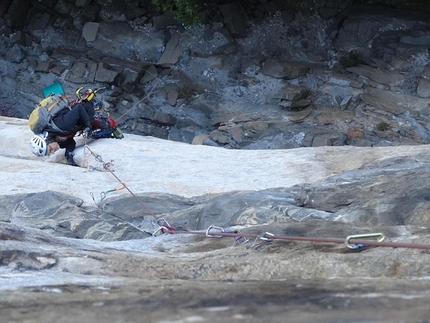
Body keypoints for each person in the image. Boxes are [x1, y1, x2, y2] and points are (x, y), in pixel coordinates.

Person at [29, 89, 96, 166]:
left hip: (87, 110)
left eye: (50, 150)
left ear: (48, 140)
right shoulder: (57, 139)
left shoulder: (62, 125)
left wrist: (88, 125)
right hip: (82, 121)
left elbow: (79, 108)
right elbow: (70, 142)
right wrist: (68, 154)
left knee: (107, 124)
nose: (53, 152)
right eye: (50, 153)